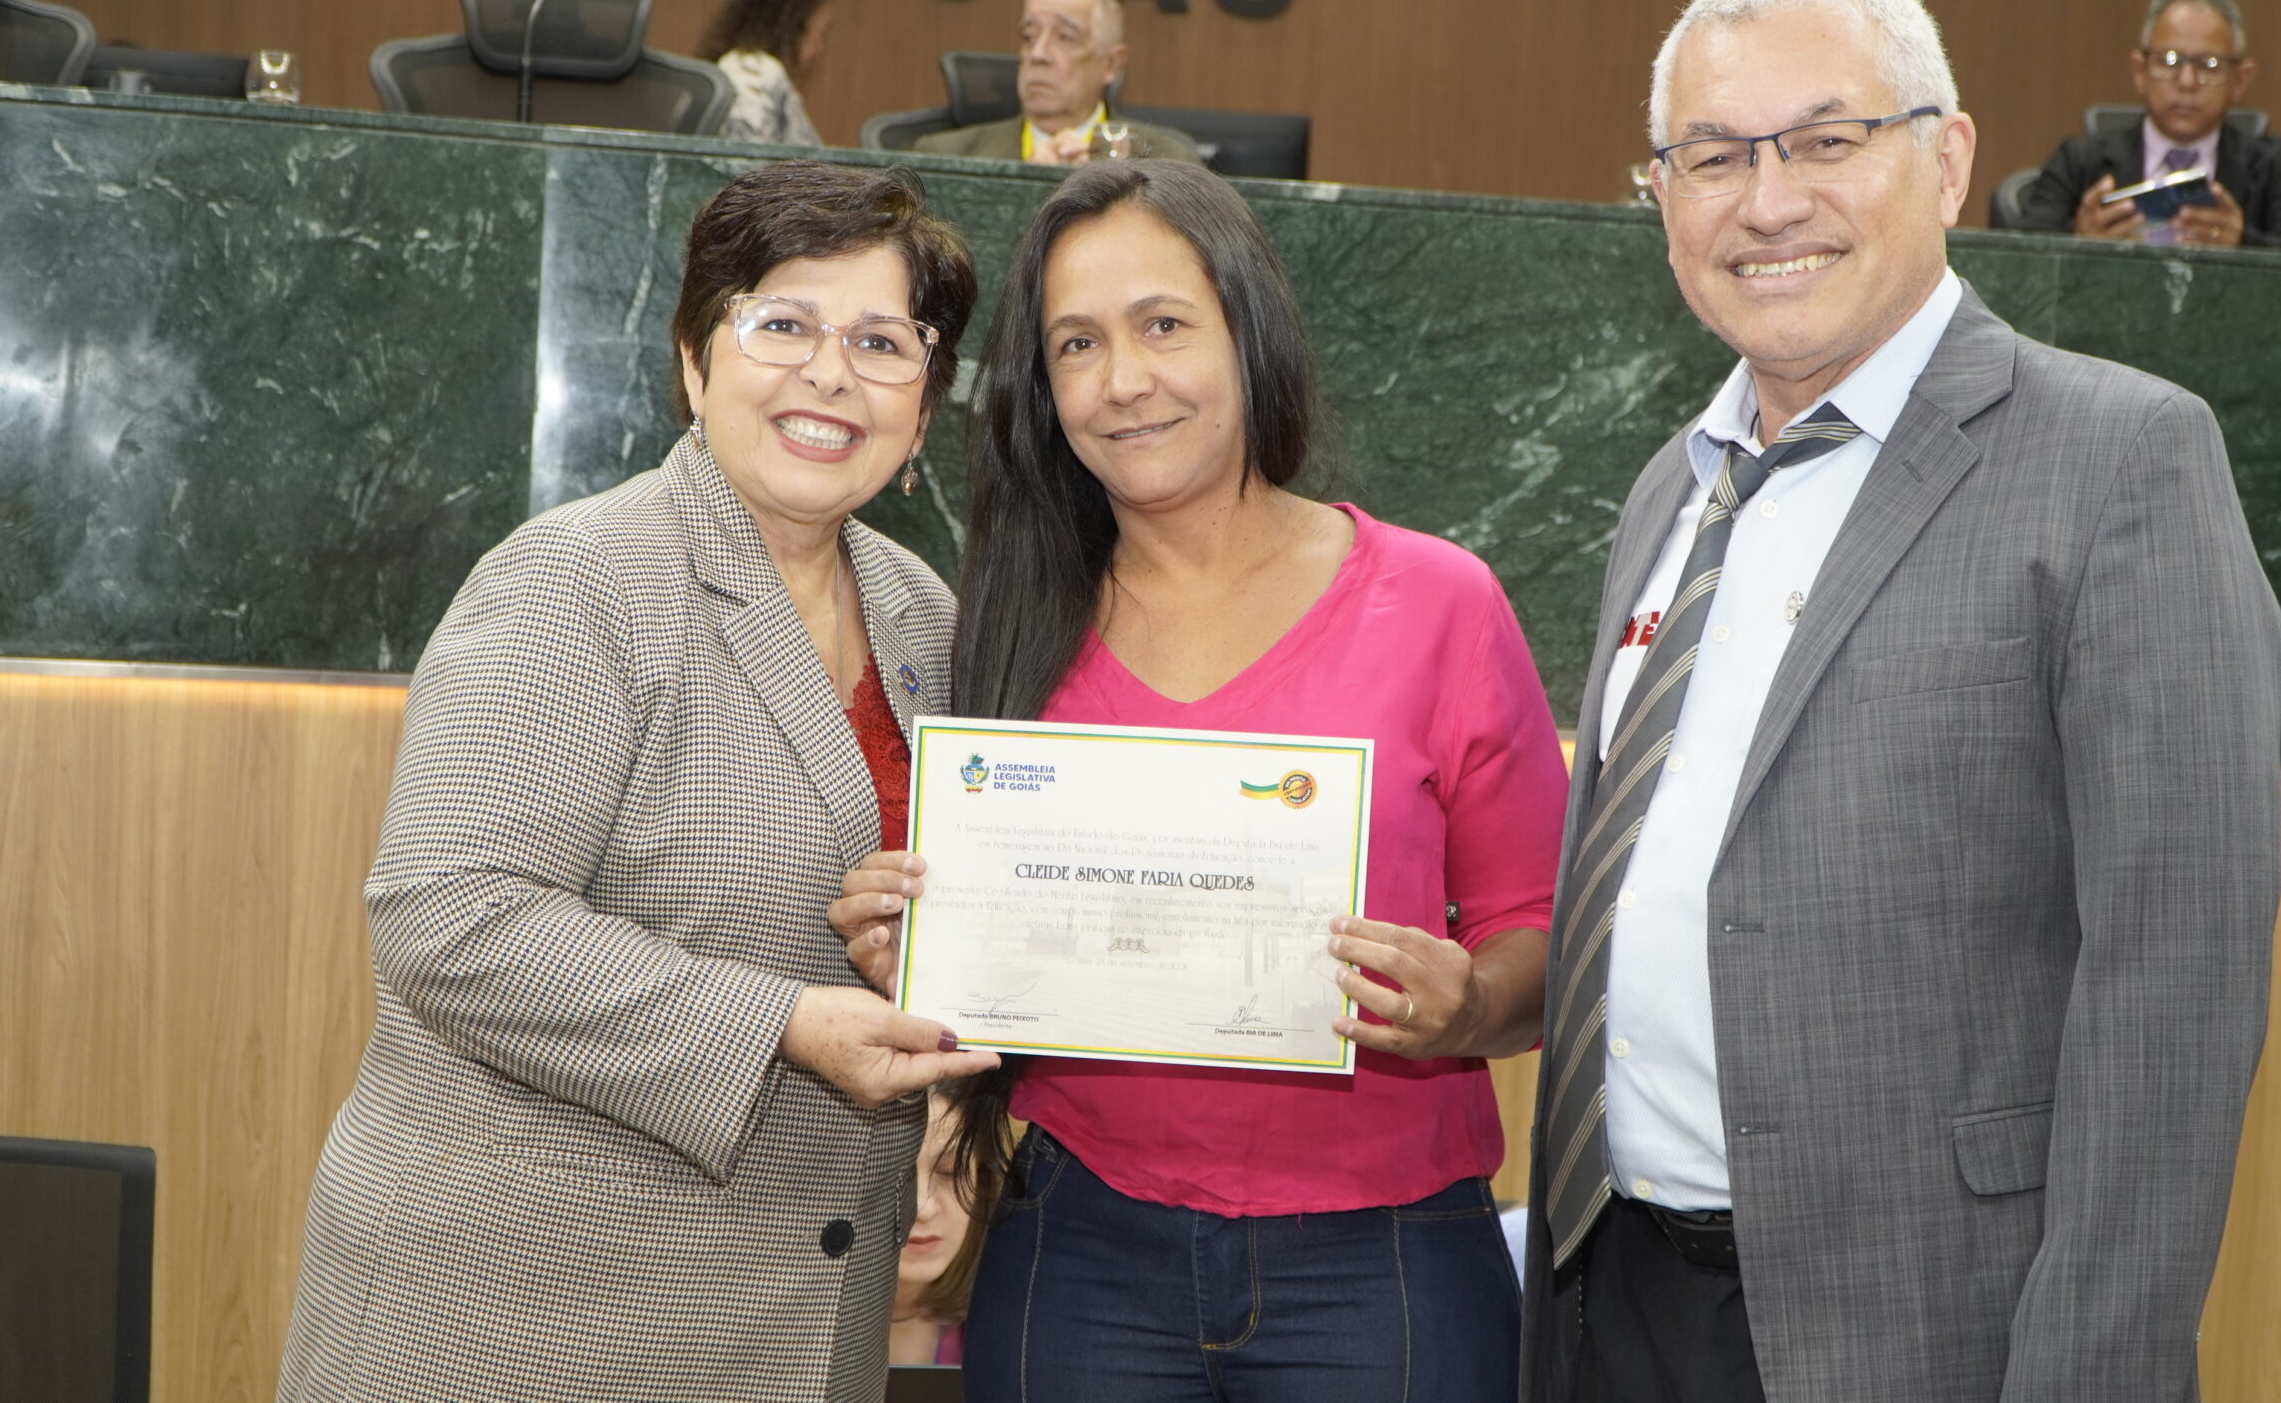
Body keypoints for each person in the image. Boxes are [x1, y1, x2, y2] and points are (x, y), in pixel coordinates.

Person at [1523, 0, 2281, 1402]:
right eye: (1712, 157)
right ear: (1661, 196)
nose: (1767, 203)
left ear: (1946, 161)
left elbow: (2174, 998)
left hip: (1929, 1328)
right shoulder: (1670, 488)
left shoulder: (2121, 460)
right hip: (1612, 1297)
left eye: (1824, 140)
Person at [835, 158, 1567, 1402]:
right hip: (1079, 1251)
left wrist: (1465, 1008)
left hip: (1384, 1261)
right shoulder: (1005, 628)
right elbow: (989, 976)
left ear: (1248, 332)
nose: (1122, 380)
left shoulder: (1440, 602)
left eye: (1163, 325)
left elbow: (1542, 936)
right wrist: (914, 951)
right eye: (1075, 344)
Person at [276, 162, 996, 1403]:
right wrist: (781, 1024)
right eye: (784, 324)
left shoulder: (924, 613)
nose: (831, 374)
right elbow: (448, 915)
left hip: (800, 1320)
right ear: (695, 361)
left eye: (882, 343)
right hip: (525, 1319)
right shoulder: (579, 578)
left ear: (924, 407)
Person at [2016, 0, 2281, 248]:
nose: (2186, 82)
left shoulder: (2276, 168)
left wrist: (2243, 244)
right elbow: (2019, 257)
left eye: (2210, 65)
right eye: (2168, 61)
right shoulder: (2078, 163)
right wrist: (2079, 243)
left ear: (2240, 80)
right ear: (2139, 71)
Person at [913, 0, 1201, 167]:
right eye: (1029, 36)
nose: (1038, 54)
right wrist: (1023, 186)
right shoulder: (944, 157)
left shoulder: (1170, 161)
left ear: (1111, 63)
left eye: (1065, 37)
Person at [887, 1083, 1004, 1367]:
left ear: (983, 1184)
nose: (922, 1207)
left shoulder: (1012, 1329)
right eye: (891, 1172)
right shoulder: (788, 1326)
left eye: (950, 1172)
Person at [697, 0, 831, 146]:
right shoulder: (756, 75)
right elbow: (748, 155)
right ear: (792, 29)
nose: (821, 47)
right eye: (821, 34)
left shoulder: (748, 69)